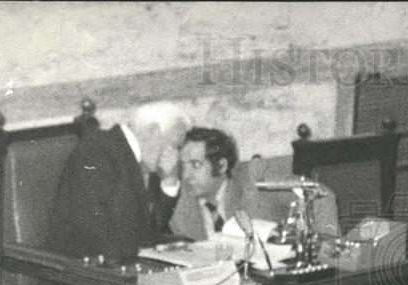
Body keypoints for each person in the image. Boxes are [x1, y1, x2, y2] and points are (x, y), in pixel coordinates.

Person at [50, 101, 189, 262]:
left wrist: (169, 181)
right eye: (174, 146)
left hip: (122, 261)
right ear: (153, 131)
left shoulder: (141, 157)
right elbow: (94, 233)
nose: (174, 156)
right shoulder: (97, 152)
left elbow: (152, 228)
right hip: (88, 272)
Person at [171, 127, 341, 242]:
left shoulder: (254, 177)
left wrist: (326, 254)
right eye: (183, 165)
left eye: (195, 165)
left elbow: (320, 195)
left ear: (221, 165)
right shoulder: (178, 202)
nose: (186, 175)